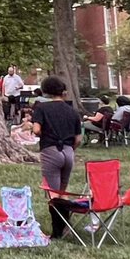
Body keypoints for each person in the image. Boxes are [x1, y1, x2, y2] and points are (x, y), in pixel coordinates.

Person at [31, 75, 82, 238]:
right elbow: (78, 139)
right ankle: (67, 226)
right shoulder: (72, 111)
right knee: (62, 191)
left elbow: (37, 130)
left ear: (45, 91)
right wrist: (70, 149)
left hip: (50, 151)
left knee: (53, 193)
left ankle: (57, 232)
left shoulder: (41, 108)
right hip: (68, 151)